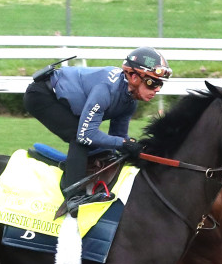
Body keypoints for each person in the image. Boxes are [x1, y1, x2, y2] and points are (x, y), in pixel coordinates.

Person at [24, 46, 172, 216]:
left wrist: (133, 147)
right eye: (152, 82)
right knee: (80, 139)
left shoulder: (130, 102)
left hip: (63, 99)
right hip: (41, 95)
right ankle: (73, 197)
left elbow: (118, 138)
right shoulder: (106, 89)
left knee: (104, 147)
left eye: (160, 83)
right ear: (133, 76)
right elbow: (85, 134)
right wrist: (123, 143)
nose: (157, 89)